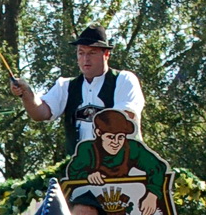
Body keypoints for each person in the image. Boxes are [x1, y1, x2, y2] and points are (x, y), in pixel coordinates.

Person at [9, 26, 145, 151]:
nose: (86, 58)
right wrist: (27, 93)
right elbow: (40, 113)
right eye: (81, 53)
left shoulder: (124, 80)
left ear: (106, 55)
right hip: (79, 169)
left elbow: (125, 117)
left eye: (92, 53)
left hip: (123, 170)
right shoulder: (66, 86)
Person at [64, 109, 168, 215]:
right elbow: (73, 173)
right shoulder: (87, 149)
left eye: (120, 137)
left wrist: (152, 194)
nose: (116, 143)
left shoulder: (132, 148)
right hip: (93, 208)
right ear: (99, 133)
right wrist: (87, 176)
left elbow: (157, 167)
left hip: (128, 205)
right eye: (110, 137)